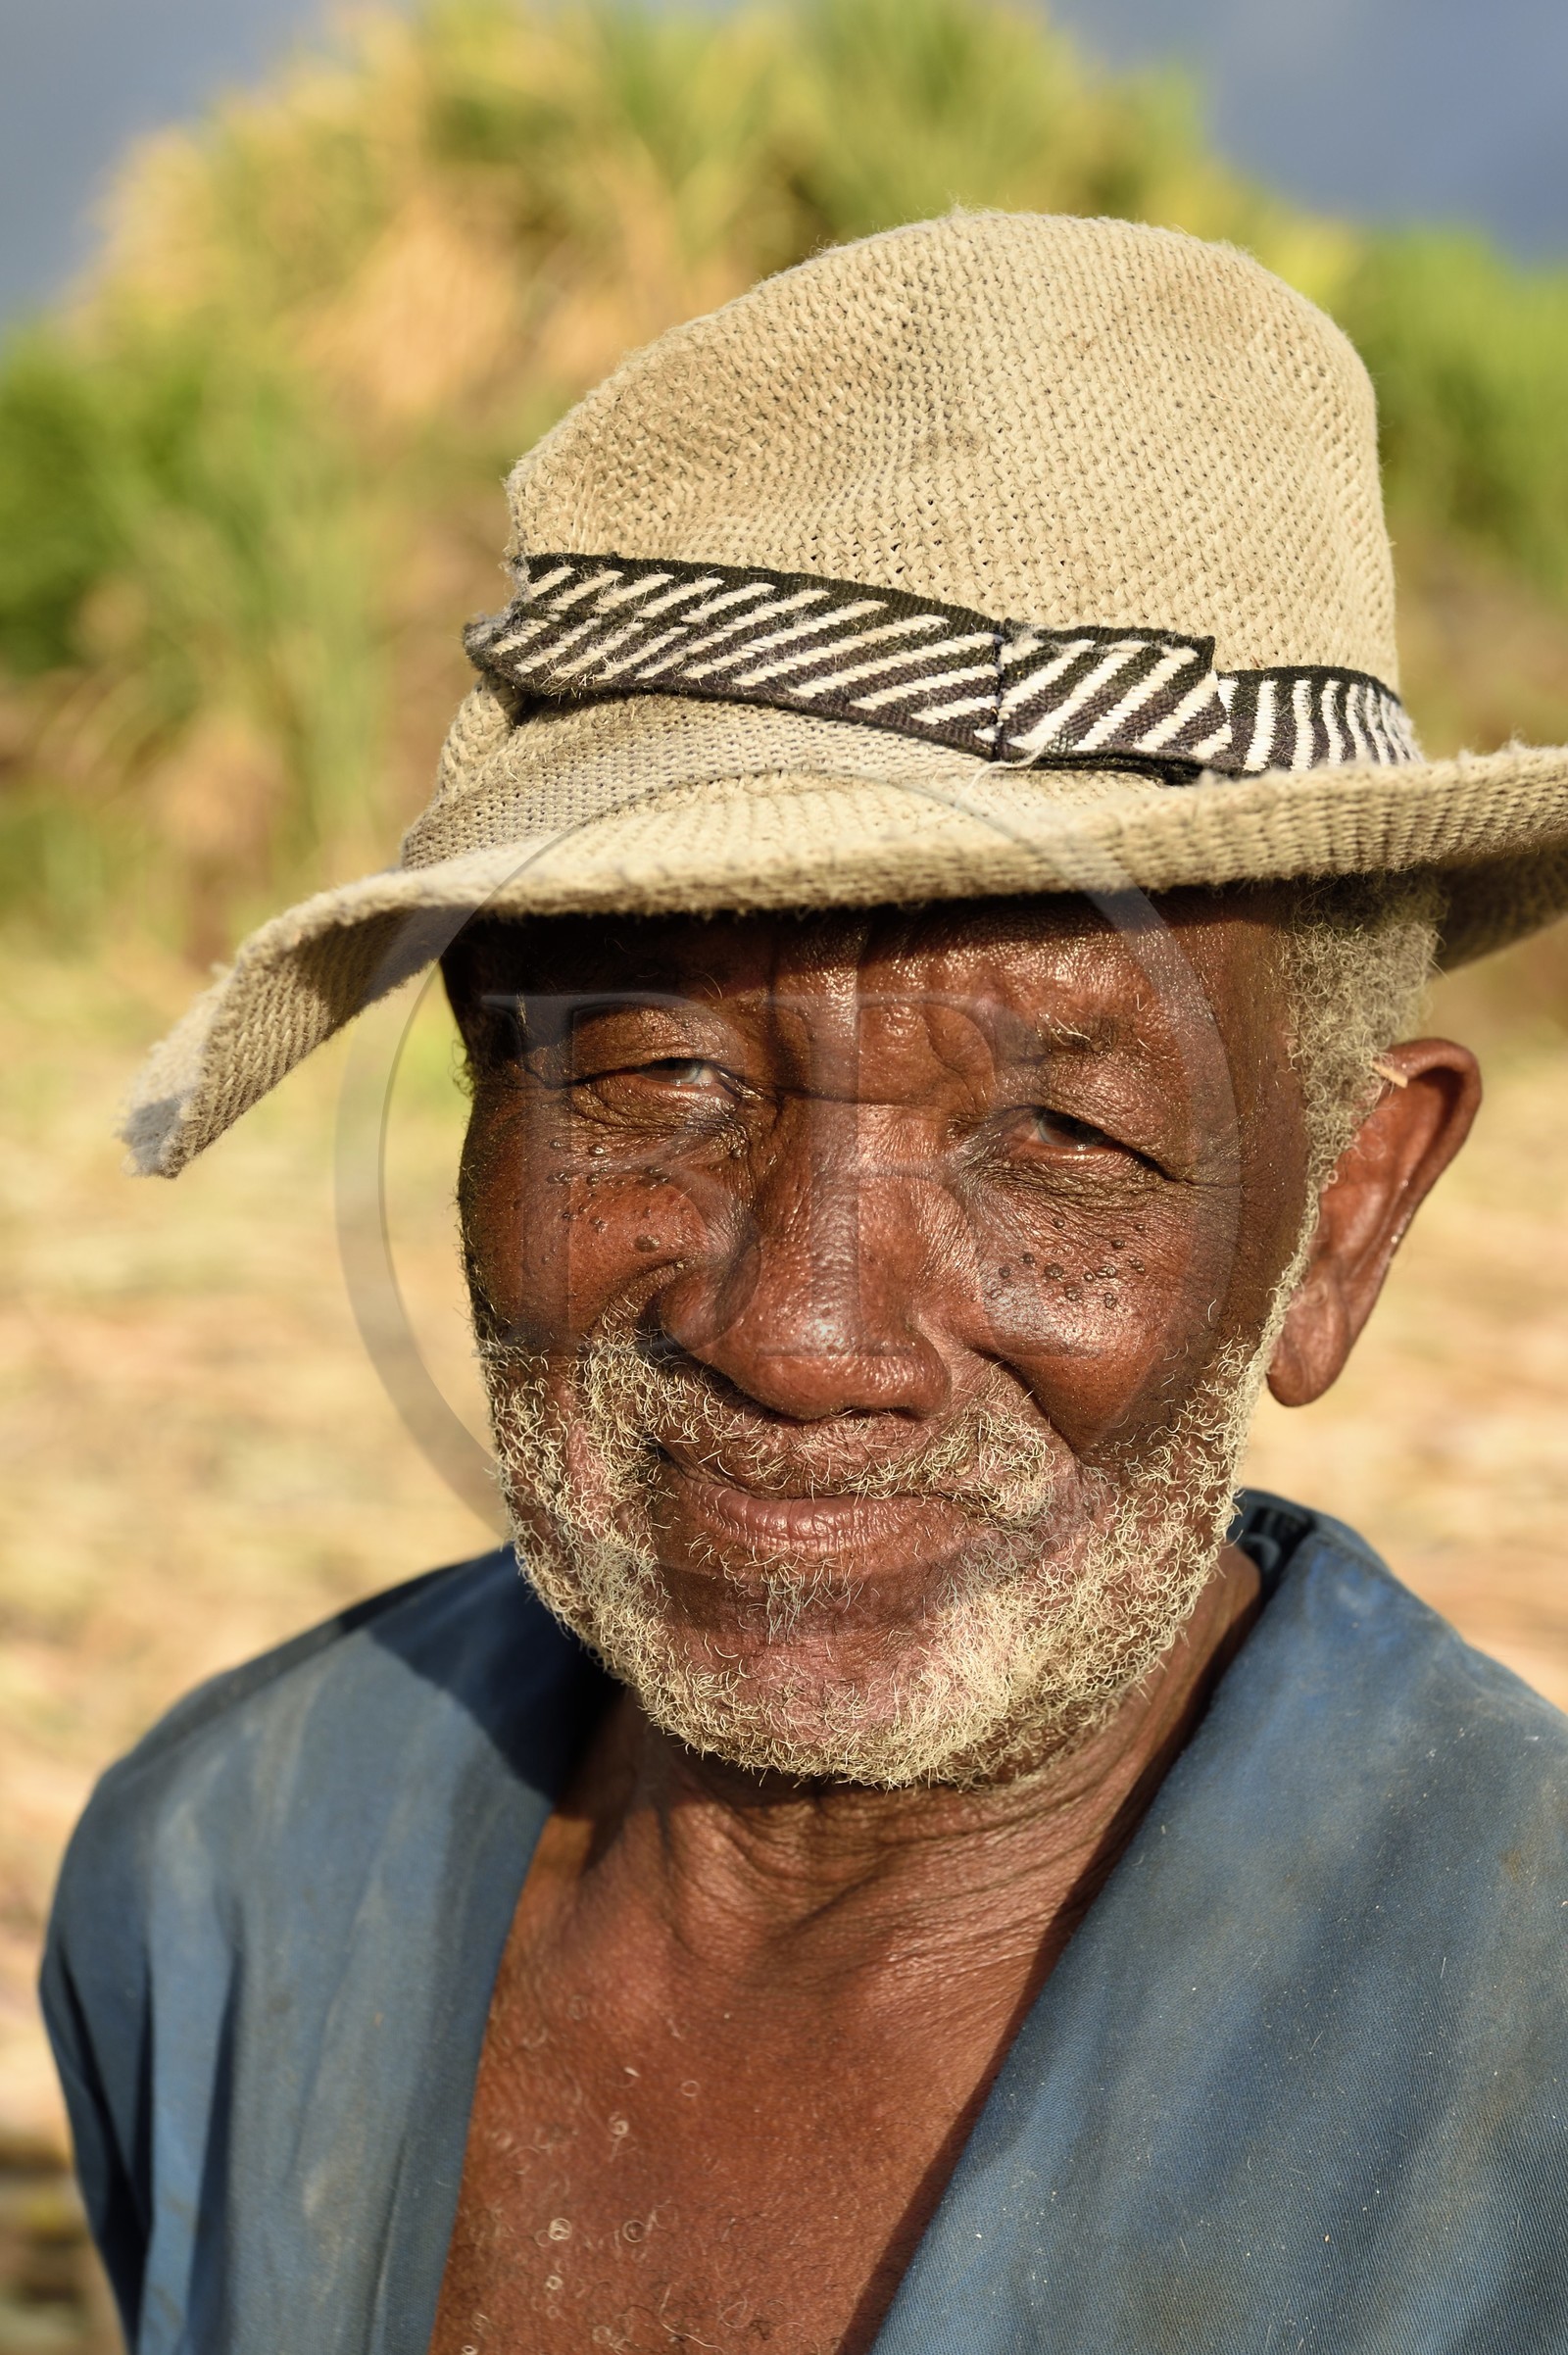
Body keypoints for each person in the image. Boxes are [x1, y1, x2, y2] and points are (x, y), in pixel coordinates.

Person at [42, 213, 1568, 2355]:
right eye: (656, 1074)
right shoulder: (224, 1881)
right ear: (484, 1089)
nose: (797, 1332)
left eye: (1058, 1136)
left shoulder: (1525, 2077)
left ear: (1338, 1217)